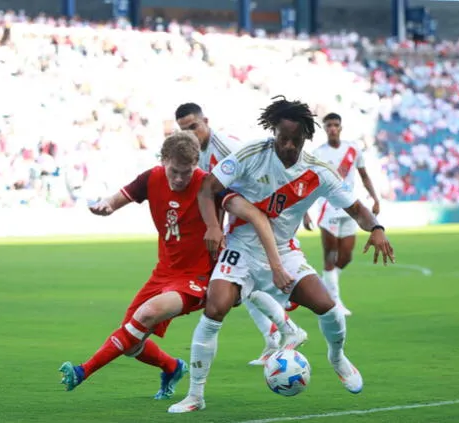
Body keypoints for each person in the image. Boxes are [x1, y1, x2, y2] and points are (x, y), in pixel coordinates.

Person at [169, 96, 395, 413]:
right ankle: (195, 395)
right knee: (215, 308)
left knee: (326, 306)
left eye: (295, 140)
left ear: (306, 138)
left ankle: (337, 357)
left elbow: (357, 208)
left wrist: (377, 228)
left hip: (285, 251)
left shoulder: (319, 172)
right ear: (273, 131)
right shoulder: (251, 153)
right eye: (282, 138)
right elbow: (208, 188)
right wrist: (213, 228)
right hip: (240, 249)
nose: (288, 145)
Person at [58, 131, 285, 400]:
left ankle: (83, 371)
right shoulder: (150, 178)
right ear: (163, 160)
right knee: (131, 343)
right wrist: (106, 206)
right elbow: (117, 199)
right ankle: (172, 366)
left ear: (196, 166)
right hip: (163, 272)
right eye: (174, 172)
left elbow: (248, 211)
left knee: (146, 315)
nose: (179, 179)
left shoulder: (208, 185)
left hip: (198, 277)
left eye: (186, 173)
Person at [175, 102, 307, 366]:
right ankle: (278, 333)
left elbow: (259, 178)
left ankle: (285, 329)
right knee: (239, 287)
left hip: (253, 223)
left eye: (194, 127)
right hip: (234, 221)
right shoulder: (194, 152)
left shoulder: (226, 147)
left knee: (238, 285)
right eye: (183, 130)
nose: (190, 133)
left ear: (206, 121)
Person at [307, 113, 380, 316]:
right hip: (327, 208)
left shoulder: (352, 149)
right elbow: (309, 184)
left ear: (341, 127)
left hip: (349, 207)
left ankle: (327, 282)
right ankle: (334, 300)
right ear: (324, 128)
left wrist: (375, 198)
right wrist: (305, 212)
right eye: (328, 125)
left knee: (346, 256)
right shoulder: (318, 154)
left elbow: (364, 176)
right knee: (330, 256)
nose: (332, 128)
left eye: (335, 125)